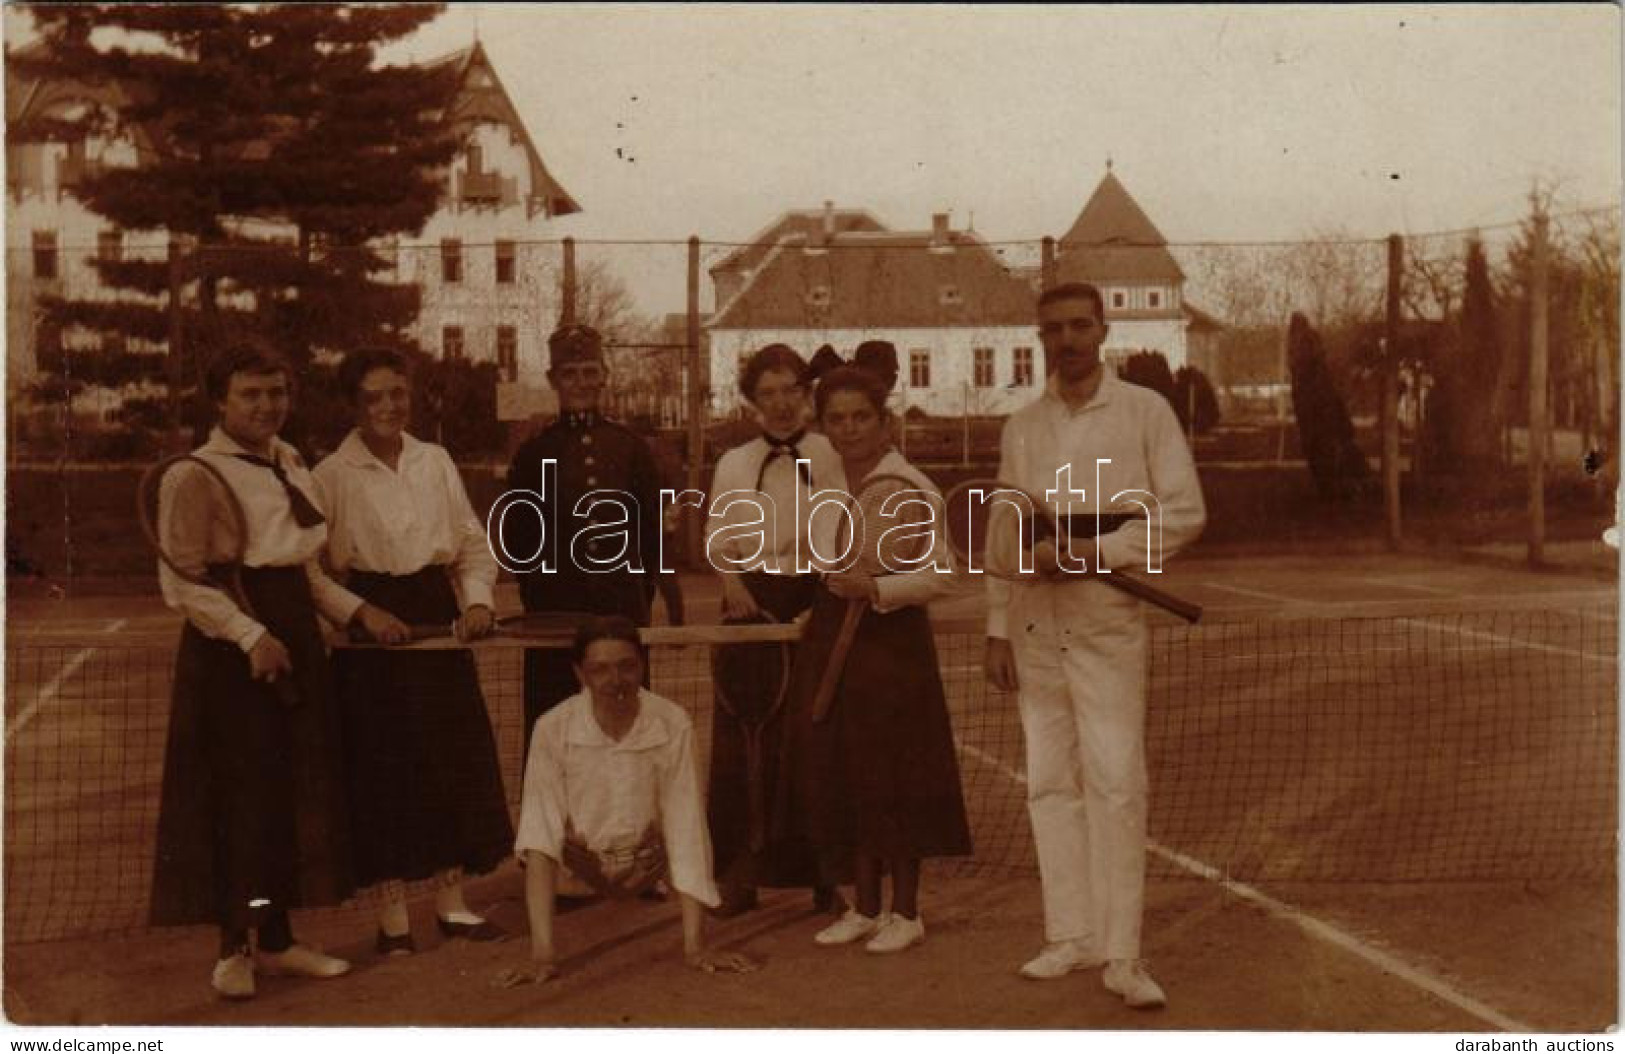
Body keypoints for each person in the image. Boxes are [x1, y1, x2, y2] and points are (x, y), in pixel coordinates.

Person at [149, 341, 405, 1000]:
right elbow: (182, 582)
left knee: (288, 798)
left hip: (295, 639)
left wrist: (361, 611)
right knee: (240, 800)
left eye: (276, 393)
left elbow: (307, 573)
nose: (267, 406)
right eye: (251, 395)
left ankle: (280, 941)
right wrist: (250, 634)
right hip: (231, 655)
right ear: (219, 403)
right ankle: (234, 949)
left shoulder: (291, 462)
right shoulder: (194, 475)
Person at [984, 282, 1205, 1009]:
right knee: (1048, 781)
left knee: (1115, 781)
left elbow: (1182, 514)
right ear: (1041, 337)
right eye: (1054, 330)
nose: (1068, 339)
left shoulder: (1146, 411)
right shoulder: (1021, 426)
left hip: (1108, 623)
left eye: (1080, 326)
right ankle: (1068, 936)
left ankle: (1122, 955)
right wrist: (995, 627)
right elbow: (1004, 533)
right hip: (1034, 626)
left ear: (1103, 330)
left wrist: (1093, 552)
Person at [313, 347, 515, 956]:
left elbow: (471, 547)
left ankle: (453, 908)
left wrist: (477, 601)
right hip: (370, 631)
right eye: (373, 396)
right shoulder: (328, 475)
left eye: (396, 393)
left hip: (435, 620)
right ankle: (394, 921)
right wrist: (362, 613)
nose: (387, 406)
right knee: (382, 775)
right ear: (354, 404)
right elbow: (309, 572)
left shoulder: (435, 461)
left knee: (448, 764)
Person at [773, 366, 971, 955]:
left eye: (862, 416)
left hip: (893, 645)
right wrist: (822, 609)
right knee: (848, 773)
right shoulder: (829, 482)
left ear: (883, 421)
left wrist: (879, 590)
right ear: (823, 424)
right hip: (836, 640)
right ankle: (863, 907)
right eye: (837, 418)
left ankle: (905, 913)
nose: (849, 427)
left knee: (897, 778)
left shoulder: (911, 484)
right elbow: (832, 565)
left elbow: (942, 573)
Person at [499, 616, 759, 984]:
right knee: (542, 836)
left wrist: (696, 946)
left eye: (627, 666)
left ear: (643, 664)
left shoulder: (673, 722)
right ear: (580, 674)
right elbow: (539, 835)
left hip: (649, 866)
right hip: (578, 870)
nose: (616, 680)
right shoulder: (551, 727)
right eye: (600, 670)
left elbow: (686, 826)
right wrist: (542, 955)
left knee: (684, 827)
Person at [704, 344, 843, 917]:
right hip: (749, 606)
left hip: (817, 601)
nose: (781, 405)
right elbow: (716, 536)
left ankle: (823, 877)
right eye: (768, 394)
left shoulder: (835, 454)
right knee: (744, 749)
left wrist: (824, 599)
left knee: (815, 745)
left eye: (791, 391)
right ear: (751, 401)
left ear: (807, 395)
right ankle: (739, 878)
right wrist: (733, 585)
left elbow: (847, 534)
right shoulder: (733, 463)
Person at [503, 324, 664, 761]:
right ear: (554, 380)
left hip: (619, 609)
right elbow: (518, 537)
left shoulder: (631, 448)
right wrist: (540, 599)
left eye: (590, 371)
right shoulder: (534, 452)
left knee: (627, 727)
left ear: (605, 375)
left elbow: (649, 536)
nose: (581, 383)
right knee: (555, 727)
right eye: (570, 373)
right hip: (555, 611)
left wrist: (635, 597)